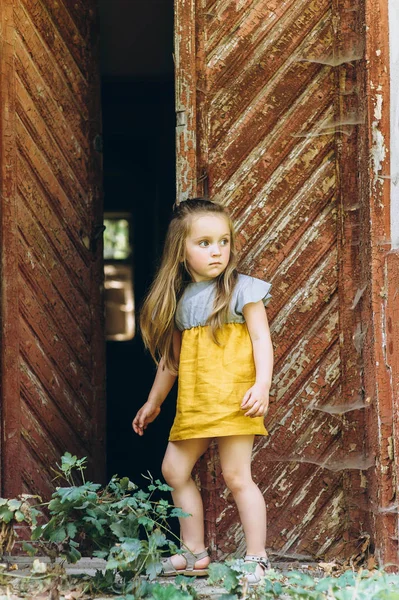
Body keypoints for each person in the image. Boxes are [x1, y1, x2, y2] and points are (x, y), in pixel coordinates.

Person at [132, 198, 273, 584]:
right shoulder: (179, 301)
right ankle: (194, 551)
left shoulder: (243, 289)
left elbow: (262, 339)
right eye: (205, 243)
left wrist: (262, 384)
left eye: (223, 241)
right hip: (195, 403)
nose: (217, 251)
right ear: (181, 251)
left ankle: (257, 556)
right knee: (173, 470)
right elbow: (171, 361)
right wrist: (154, 400)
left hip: (235, 401)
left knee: (237, 476)